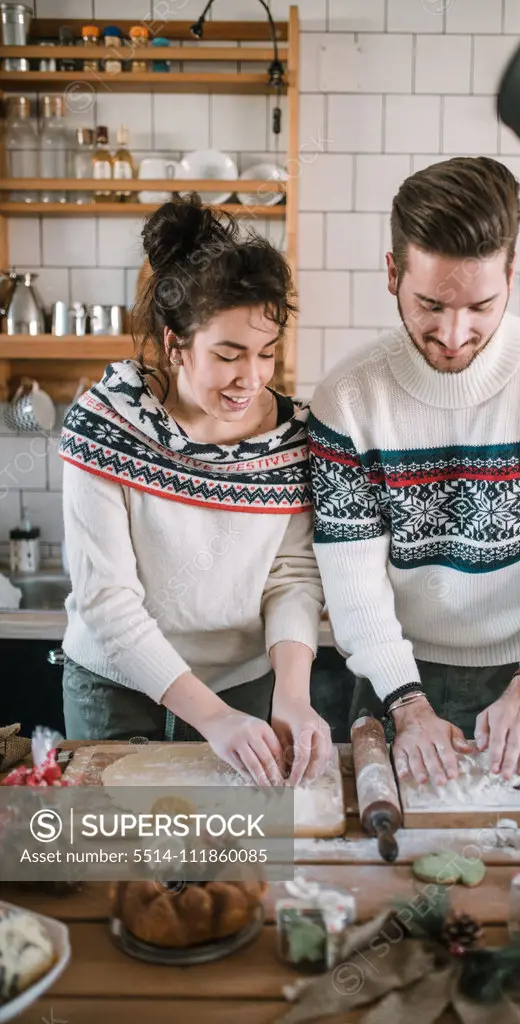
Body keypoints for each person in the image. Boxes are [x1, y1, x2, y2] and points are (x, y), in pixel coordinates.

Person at [308, 156, 520, 787]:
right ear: (391, 273)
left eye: (480, 305)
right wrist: (404, 700)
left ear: (511, 275)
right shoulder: (347, 398)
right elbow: (351, 576)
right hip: (390, 670)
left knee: (508, 839)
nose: (454, 334)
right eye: (430, 304)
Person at [59, 193, 331, 786]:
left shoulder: (293, 436)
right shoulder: (106, 426)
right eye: (228, 356)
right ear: (175, 343)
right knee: (118, 872)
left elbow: (291, 575)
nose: (252, 379)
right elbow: (108, 602)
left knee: (229, 866)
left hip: (246, 686)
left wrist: (291, 691)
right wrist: (213, 719)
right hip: (119, 691)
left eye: (266, 354)